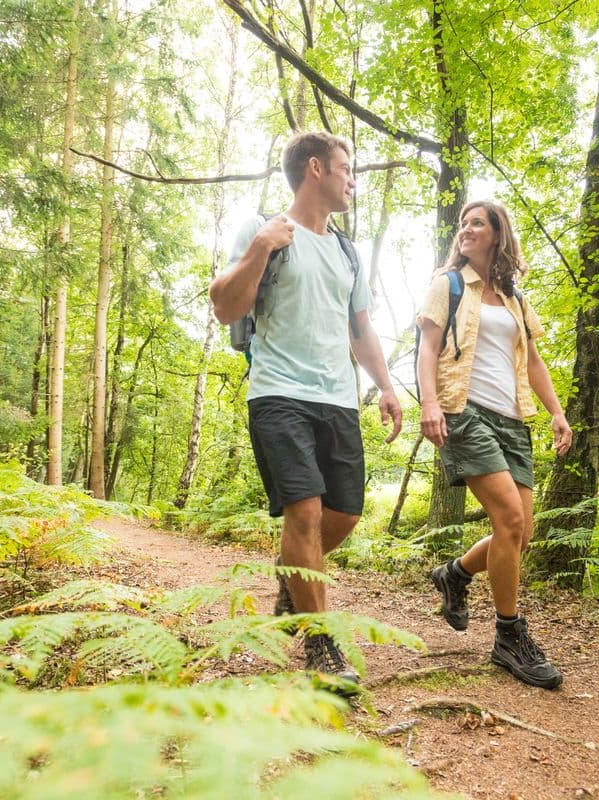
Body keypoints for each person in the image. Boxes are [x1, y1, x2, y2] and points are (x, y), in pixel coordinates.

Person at [210, 132, 402, 686]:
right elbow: (225, 307)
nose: (352, 180)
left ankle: (290, 583)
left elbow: (360, 328)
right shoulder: (264, 229)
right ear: (316, 169)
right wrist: (260, 248)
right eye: (347, 168)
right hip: (277, 392)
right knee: (306, 514)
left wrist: (386, 386)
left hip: (337, 399)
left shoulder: (347, 251)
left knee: (344, 514)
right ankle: (321, 647)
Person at [416, 200, 572, 690]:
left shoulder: (515, 299)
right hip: (464, 412)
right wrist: (430, 405)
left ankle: (455, 574)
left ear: (498, 233)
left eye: (477, 223)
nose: (466, 229)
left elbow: (534, 364)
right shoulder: (449, 284)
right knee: (508, 519)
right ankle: (509, 636)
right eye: (463, 223)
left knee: (520, 534)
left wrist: (557, 412)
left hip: (512, 421)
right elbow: (427, 348)